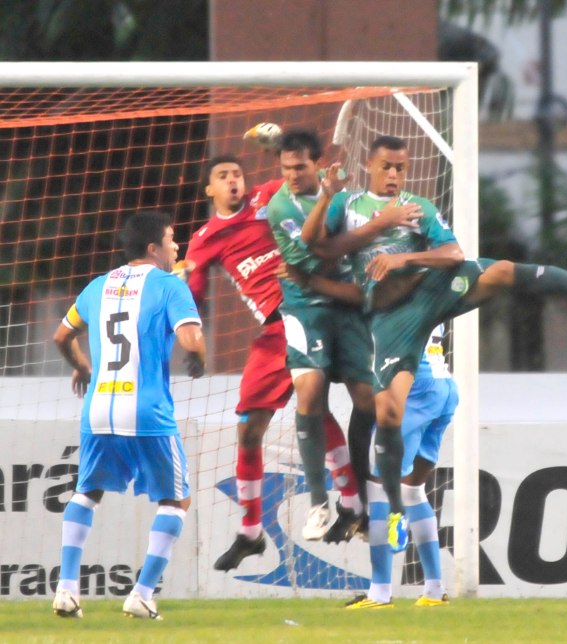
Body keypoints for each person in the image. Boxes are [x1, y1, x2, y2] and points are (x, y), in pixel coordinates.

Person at [303, 134, 567, 552]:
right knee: (389, 408)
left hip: (429, 290)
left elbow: (454, 253)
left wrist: (405, 258)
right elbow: (314, 245)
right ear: (370, 165)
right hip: (390, 316)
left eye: (401, 169)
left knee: (503, 271)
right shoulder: (346, 205)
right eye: (386, 166)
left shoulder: (417, 208)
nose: (393, 175)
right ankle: (395, 518)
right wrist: (333, 201)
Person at [184, 154, 360, 569]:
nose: (233, 181)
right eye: (223, 177)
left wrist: (325, 165)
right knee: (260, 425)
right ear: (209, 189)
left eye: (237, 174)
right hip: (276, 330)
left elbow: (310, 177)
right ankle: (254, 532)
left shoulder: (268, 197)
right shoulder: (206, 237)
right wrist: (192, 344)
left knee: (310, 408)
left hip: (307, 310)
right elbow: (194, 295)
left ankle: (346, 505)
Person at [266, 128, 424, 541]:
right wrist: (377, 225)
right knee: (311, 390)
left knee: (368, 400)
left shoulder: (345, 200)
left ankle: (356, 499)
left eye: (300, 167)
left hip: (347, 305)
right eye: (286, 169)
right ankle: (318, 502)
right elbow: (317, 254)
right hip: (305, 306)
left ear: (317, 165)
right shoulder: (280, 204)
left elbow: (343, 247)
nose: (292, 176)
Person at [51, 211, 206, 620]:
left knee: (87, 491)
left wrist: (83, 366)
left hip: (98, 410)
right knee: (176, 499)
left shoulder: (97, 286)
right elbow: (192, 339)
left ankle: (66, 589)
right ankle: (141, 593)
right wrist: (200, 356)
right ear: (154, 248)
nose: (177, 247)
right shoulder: (170, 284)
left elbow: (62, 336)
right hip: (148, 412)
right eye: (173, 239)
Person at [345, 324, 457, 609]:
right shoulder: (428, 285)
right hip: (443, 383)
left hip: (414, 385)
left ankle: (379, 592)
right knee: (414, 491)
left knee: (380, 485)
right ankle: (434, 590)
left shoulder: (393, 287)